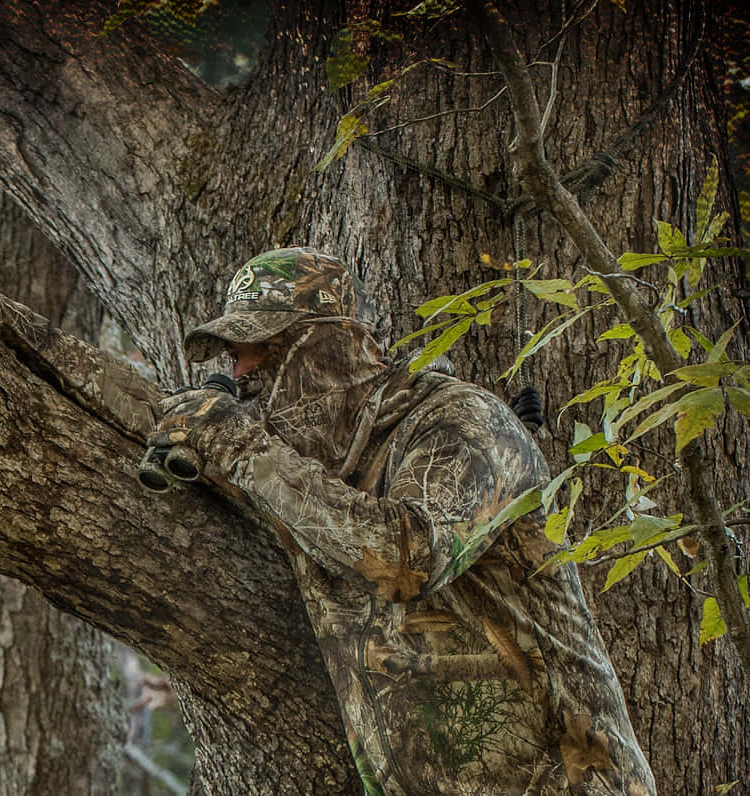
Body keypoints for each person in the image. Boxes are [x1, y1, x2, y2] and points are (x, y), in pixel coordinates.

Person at [147, 247, 656, 795]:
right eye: (232, 359)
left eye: (259, 352)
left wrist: (242, 446)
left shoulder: (462, 421)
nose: (239, 377)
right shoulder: (306, 468)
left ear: (326, 347)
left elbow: (404, 560)